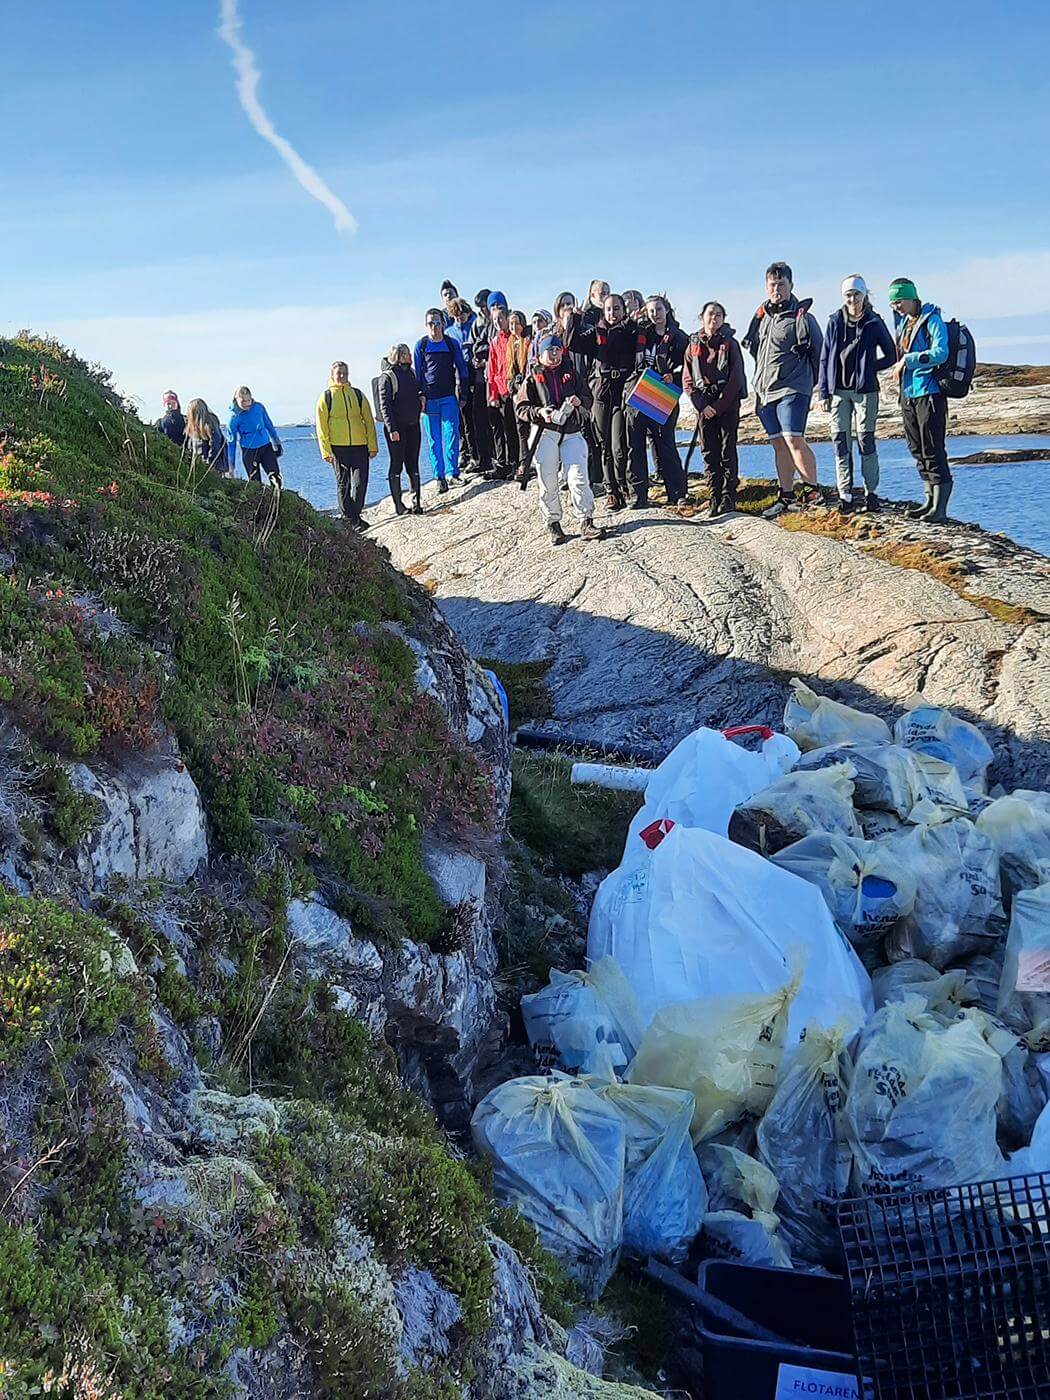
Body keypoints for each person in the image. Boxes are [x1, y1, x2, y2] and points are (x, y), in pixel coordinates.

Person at [742, 261, 824, 519]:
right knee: (778, 444)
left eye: (781, 284)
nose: (777, 288)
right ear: (766, 287)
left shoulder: (803, 319)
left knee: (794, 439)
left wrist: (817, 389)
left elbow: (820, 354)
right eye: (772, 284)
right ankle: (786, 495)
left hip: (793, 388)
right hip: (766, 391)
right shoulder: (761, 319)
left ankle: (813, 491)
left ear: (791, 285)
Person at [818, 276, 897, 515]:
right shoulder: (834, 321)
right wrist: (823, 391)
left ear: (864, 296)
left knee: (866, 441)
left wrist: (871, 367)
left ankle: (871, 493)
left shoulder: (874, 321)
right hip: (838, 391)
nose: (852, 299)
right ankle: (845, 495)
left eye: (856, 294)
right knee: (841, 442)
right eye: (848, 295)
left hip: (866, 391)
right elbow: (825, 357)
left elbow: (892, 354)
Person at [515, 332, 604, 545]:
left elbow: (588, 399)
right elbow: (521, 408)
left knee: (578, 475)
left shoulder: (572, 373)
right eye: (549, 350)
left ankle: (586, 520)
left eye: (557, 349)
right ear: (540, 353)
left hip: (571, 430)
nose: (554, 354)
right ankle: (553, 523)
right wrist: (539, 412)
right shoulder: (532, 378)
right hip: (544, 432)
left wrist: (577, 402)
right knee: (548, 479)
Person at [564, 292, 643, 511]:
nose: (612, 313)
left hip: (622, 391)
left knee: (619, 444)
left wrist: (638, 320)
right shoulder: (595, 332)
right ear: (603, 311)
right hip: (601, 391)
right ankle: (612, 492)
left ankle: (625, 485)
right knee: (603, 444)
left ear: (623, 310)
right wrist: (575, 318)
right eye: (608, 309)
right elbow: (570, 343)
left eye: (617, 308)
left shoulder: (630, 330)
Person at [888, 277, 953, 523]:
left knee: (933, 447)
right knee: (916, 447)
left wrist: (910, 359)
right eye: (893, 303)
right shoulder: (904, 323)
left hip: (929, 392)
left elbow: (941, 352)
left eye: (899, 301)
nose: (896, 307)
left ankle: (940, 509)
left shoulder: (932, 320)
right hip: (909, 394)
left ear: (912, 297)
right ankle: (928, 502)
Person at [683, 302, 746, 516]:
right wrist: (702, 405)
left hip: (726, 405)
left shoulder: (731, 344)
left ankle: (729, 497)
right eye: (711, 314)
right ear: (702, 317)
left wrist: (718, 407)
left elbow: (736, 378)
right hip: (703, 404)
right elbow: (688, 380)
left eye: (719, 315)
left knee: (728, 450)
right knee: (709, 452)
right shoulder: (692, 345)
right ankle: (714, 496)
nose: (714, 319)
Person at [625, 294, 688, 507]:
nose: (655, 314)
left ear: (667, 310)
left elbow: (689, 369)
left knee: (666, 444)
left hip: (663, 393)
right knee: (636, 444)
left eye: (659, 310)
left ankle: (677, 493)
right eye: (651, 311)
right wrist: (632, 319)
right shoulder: (641, 334)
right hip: (640, 391)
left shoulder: (679, 338)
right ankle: (639, 494)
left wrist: (674, 377)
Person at [315, 360, 378, 527]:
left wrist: (372, 446)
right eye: (338, 373)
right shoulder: (326, 397)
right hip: (338, 447)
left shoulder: (357, 395)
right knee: (343, 483)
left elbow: (369, 421)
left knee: (360, 482)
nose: (342, 376)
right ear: (332, 375)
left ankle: (355, 516)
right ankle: (349, 518)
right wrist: (326, 451)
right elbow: (321, 427)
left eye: (344, 373)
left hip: (359, 445)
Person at [414, 308, 469, 494]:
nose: (434, 327)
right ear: (426, 325)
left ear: (443, 324)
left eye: (437, 323)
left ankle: (452, 473)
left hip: (448, 397)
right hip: (429, 400)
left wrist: (463, 394)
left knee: (451, 434)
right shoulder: (421, 345)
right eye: (431, 323)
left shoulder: (451, 344)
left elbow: (462, 369)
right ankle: (439, 477)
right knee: (434, 440)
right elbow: (418, 373)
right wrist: (420, 395)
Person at [376, 345, 423, 515]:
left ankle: (416, 501)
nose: (409, 356)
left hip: (413, 425)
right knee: (397, 465)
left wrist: (421, 398)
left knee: (413, 463)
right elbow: (385, 406)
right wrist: (391, 429)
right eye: (406, 354)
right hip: (397, 429)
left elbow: (417, 391)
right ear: (398, 356)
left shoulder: (411, 373)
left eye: (409, 353)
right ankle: (399, 505)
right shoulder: (387, 377)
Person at [485, 295, 518, 479]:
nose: (498, 322)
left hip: (512, 389)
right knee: (498, 428)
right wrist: (493, 395)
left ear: (507, 319)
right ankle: (501, 462)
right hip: (499, 389)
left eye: (500, 319)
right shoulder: (495, 342)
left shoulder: (514, 338)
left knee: (511, 429)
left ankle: (514, 462)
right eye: (495, 319)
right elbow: (492, 369)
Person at [446, 297, 479, 472]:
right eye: (456, 316)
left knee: (477, 417)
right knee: (462, 417)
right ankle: (465, 453)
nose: (460, 319)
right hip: (459, 377)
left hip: (475, 372)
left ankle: (478, 454)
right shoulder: (450, 332)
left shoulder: (475, 324)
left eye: (462, 315)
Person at [228, 386, 283, 484]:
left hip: (265, 446)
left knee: (275, 478)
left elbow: (269, 425)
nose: (247, 404)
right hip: (249, 451)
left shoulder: (258, 408)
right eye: (243, 401)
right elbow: (231, 443)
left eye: (248, 400)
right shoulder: (234, 418)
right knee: (255, 483)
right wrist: (231, 467)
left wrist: (277, 443)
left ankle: (277, 497)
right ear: (236, 400)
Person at [467, 289, 495, 475]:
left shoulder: (500, 323)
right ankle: (484, 459)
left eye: (485, 306)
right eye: (481, 307)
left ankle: (500, 458)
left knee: (496, 420)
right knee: (479, 419)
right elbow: (470, 348)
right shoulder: (477, 324)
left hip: (494, 378)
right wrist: (474, 361)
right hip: (478, 379)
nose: (483, 310)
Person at [507, 311, 533, 467]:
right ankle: (525, 462)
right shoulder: (510, 343)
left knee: (533, 426)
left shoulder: (527, 340)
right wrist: (513, 391)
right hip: (517, 390)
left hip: (529, 386)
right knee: (521, 426)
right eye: (511, 323)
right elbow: (509, 372)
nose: (513, 327)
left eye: (516, 323)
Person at [184, 398, 227, 474]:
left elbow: (215, 443)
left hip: (211, 464)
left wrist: (210, 461)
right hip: (200, 462)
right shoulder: (193, 426)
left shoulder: (209, 423)